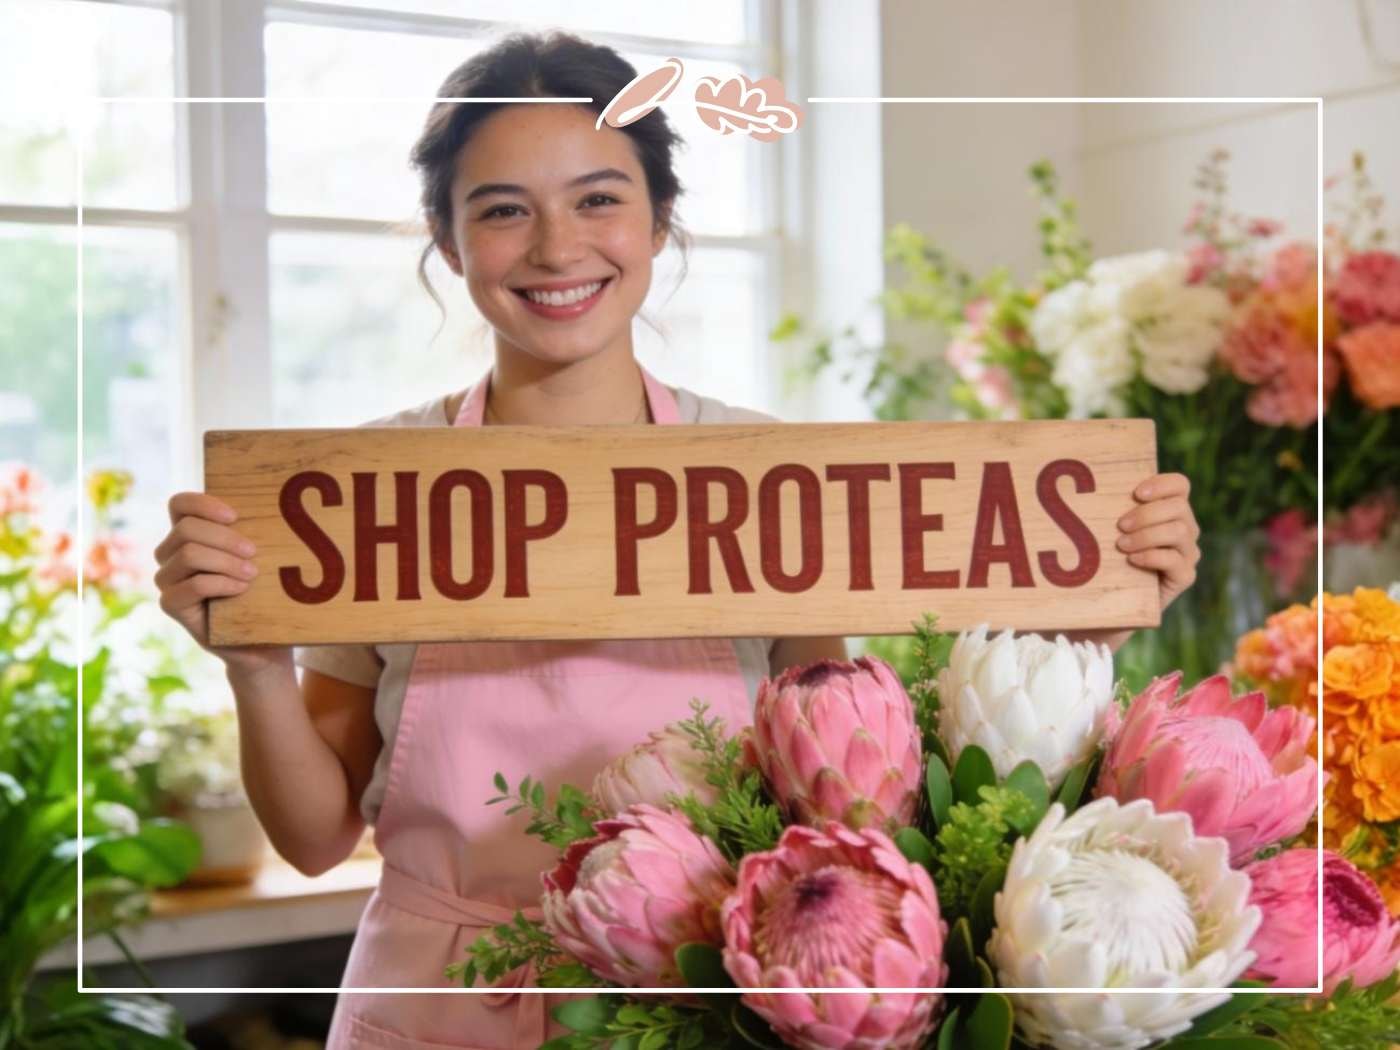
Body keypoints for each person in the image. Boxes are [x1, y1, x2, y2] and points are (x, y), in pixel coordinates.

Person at [152, 32, 1202, 1049]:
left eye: (598, 199)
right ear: (447, 239)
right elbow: (313, 840)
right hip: (432, 1007)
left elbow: (856, 783)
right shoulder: (371, 489)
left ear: (659, 220)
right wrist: (254, 665)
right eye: (503, 210)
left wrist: (1080, 630)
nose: (556, 248)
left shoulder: (771, 475)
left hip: (692, 1008)